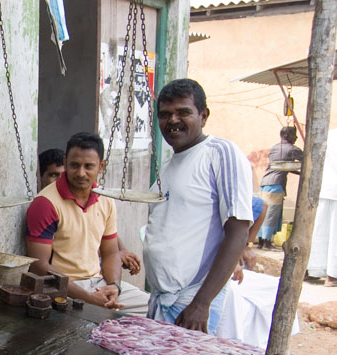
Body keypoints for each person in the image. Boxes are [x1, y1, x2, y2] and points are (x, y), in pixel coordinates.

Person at [144, 78, 254, 333]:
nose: (172, 120)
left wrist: (202, 303)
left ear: (203, 116)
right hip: (163, 298)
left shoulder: (219, 153)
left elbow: (238, 230)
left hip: (191, 302)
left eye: (183, 112)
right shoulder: (171, 164)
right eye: (165, 114)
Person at [25, 133, 149, 315]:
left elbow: (110, 253)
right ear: (66, 162)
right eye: (74, 165)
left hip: (98, 282)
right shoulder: (45, 203)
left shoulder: (105, 199)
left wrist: (114, 286)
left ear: (101, 166)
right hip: (62, 288)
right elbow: (39, 266)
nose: (81, 173)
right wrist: (88, 298)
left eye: (89, 166)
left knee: (154, 308)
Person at [38, 147, 142, 277]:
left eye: (62, 174)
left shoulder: (96, 198)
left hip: (92, 277)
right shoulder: (45, 205)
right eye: (53, 175)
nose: (61, 179)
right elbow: (75, 250)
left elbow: (102, 233)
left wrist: (122, 252)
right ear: (39, 176)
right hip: (64, 280)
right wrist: (115, 255)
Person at [257, 126, 303, 250]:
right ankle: (267, 242)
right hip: (276, 185)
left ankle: (261, 241)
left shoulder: (274, 148)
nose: (296, 137)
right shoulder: (293, 149)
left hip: (265, 183)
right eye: (294, 134)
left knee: (264, 212)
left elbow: (282, 166)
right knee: (272, 213)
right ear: (287, 136)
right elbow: (307, 160)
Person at [308, 127, 337, 286]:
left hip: (323, 187)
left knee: (320, 230)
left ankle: (313, 270)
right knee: (334, 234)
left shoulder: (327, 134)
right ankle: (332, 276)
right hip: (332, 188)